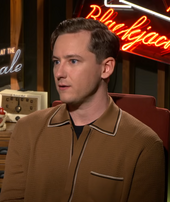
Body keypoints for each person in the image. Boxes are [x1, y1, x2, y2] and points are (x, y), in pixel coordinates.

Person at [0, 17, 165, 202]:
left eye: (73, 61)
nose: (59, 73)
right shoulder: (27, 129)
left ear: (106, 68)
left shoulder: (145, 146)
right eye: (56, 61)